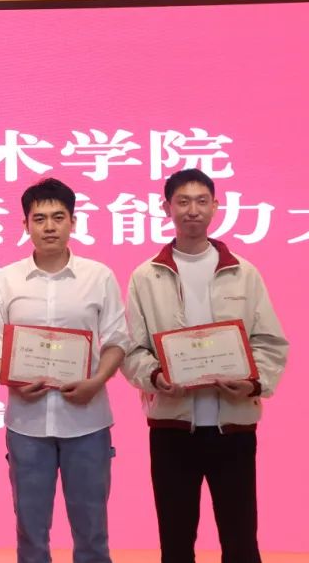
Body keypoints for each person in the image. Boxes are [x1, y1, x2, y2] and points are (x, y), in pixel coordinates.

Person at [120, 168, 288, 563]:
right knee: (176, 541)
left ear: (215, 206)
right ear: (166, 208)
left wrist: (253, 382)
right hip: (172, 428)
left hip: (233, 426)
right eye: (182, 201)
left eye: (201, 201)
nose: (192, 210)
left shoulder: (243, 272)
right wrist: (156, 377)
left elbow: (270, 342)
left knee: (241, 539)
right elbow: (131, 350)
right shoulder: (146, 276)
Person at [0, 178, 128, 563]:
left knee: (92, 532)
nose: (49, 227)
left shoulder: (99, 276)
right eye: (39, 218)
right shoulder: (6, 279)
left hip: (88, 421)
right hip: (26, 425)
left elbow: (117, 340)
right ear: (25, 224)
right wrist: (12, 379)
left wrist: (96, 381)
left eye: (58, 217)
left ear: (73, 222)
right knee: (30, 533)